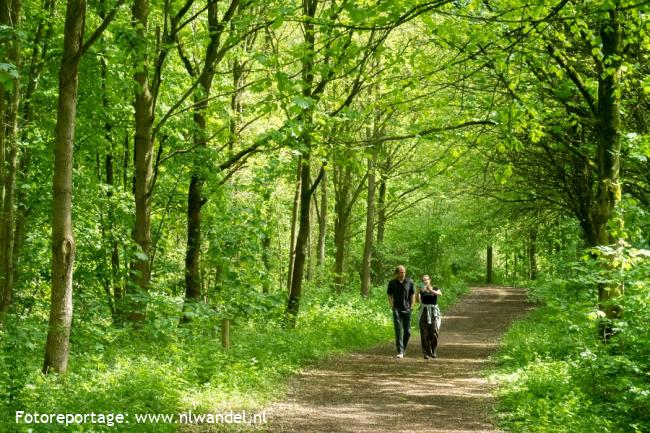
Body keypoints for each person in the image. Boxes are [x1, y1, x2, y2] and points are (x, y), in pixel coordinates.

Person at [387, 265, 415, 358]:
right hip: (397, 309)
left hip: (407, 309)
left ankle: (403, 348)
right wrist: (392, 305)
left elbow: (412, 295)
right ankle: (400, 351)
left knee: (407, 331)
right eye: (401, 272)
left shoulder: (410, 282)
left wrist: (412, 306)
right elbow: (389, 295)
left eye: (404, 272)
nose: (403, 274)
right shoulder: (392, 283)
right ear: (397, 273)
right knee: (398, 330)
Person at [417, 275, 442, 359]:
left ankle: (433, 350)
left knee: (434, 331)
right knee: (424, 333)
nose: (425, 281)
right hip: (424, 311)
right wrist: (418, 292)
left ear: (430, 280)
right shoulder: (422, 290)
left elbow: (440, 294)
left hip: (433, 312)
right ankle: (426, 353)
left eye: (427, 279)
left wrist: (430, 290)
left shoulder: (435, 287)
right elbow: (418, 300)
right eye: (423, 280)